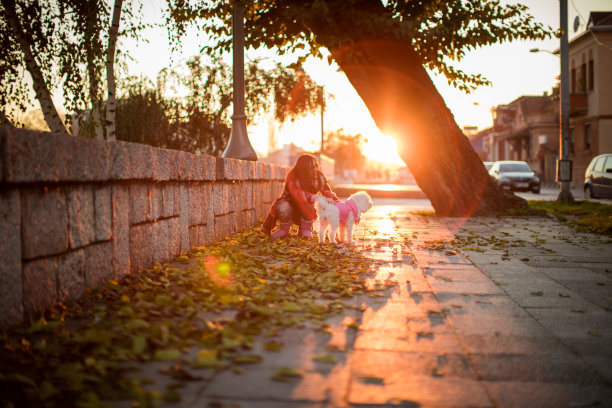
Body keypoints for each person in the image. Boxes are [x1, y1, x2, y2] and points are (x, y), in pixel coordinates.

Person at [261, 154, 339, 238]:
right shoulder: (293, 176)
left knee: (309, 207)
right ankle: (284, 230)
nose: (316, 169)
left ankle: (305, 230)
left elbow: (327, 191)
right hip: (290, 205)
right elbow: (297, 193)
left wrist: (338, 203)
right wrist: (315, 197)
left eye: (316, 166)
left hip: (306, 207)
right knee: (283, 206)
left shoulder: (319, 176)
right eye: (312, 167)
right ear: (304, 169)